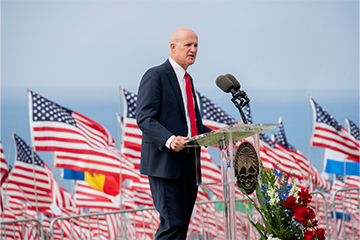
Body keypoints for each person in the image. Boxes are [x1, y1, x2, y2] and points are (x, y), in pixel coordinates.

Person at [136, 27, 213, 239]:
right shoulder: (156, 75)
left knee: (181, 227)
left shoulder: (188, 80)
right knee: (173, 225)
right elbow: (144, 118)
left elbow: (192, 126)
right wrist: (170, 140)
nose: (193, 49)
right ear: (173, 47)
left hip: (190, 163)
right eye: (188, 45)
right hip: (167, 163)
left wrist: (221, 135)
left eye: (196, 45)